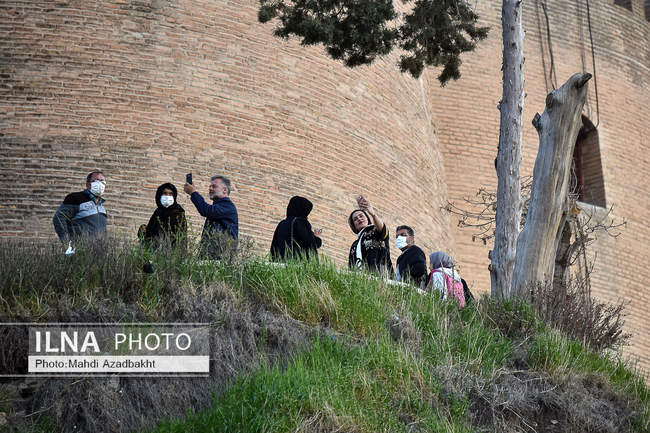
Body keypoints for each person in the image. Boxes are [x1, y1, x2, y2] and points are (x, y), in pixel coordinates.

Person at [184, 174, 238, 259]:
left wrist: (193, 193)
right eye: (210, 186)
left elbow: (206, 210)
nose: (210, 189)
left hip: (220, 259)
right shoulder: (219, 205)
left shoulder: (228, 206)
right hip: (211, 257)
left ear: (225, 190)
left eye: (214, 186)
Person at [53, 171, 107, 244]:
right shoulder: (75, 198)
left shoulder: (101, 207)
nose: (100, 184)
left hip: (98, 248)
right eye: (96, 181)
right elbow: (59, 218)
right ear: (87, 184)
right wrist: (66, 242)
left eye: (102, 181)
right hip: (79, 247)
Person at [348, 195, 393, 276]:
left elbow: (382, 229)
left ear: (367, 218)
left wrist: (373, 214)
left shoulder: (374, 230)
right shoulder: (355, 245)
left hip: (382, 277)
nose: (359, 219)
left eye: (361, 216)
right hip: (362, 280)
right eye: (355, 219)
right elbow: (351, 267)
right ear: (354, 226)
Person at [270, 196, 322, 261]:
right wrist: (316, 237)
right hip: (297, 263)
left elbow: (274, 245)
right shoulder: (300, 222)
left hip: (280, 262)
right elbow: (309, 242)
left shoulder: (282, 223)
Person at [141, 183, 187, 249]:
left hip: (168, 252)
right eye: (165, 193)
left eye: (170, 194)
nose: (167, 196)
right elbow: (150, 233)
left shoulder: (177, 213)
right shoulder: (158, 212)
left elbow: (180, 240)